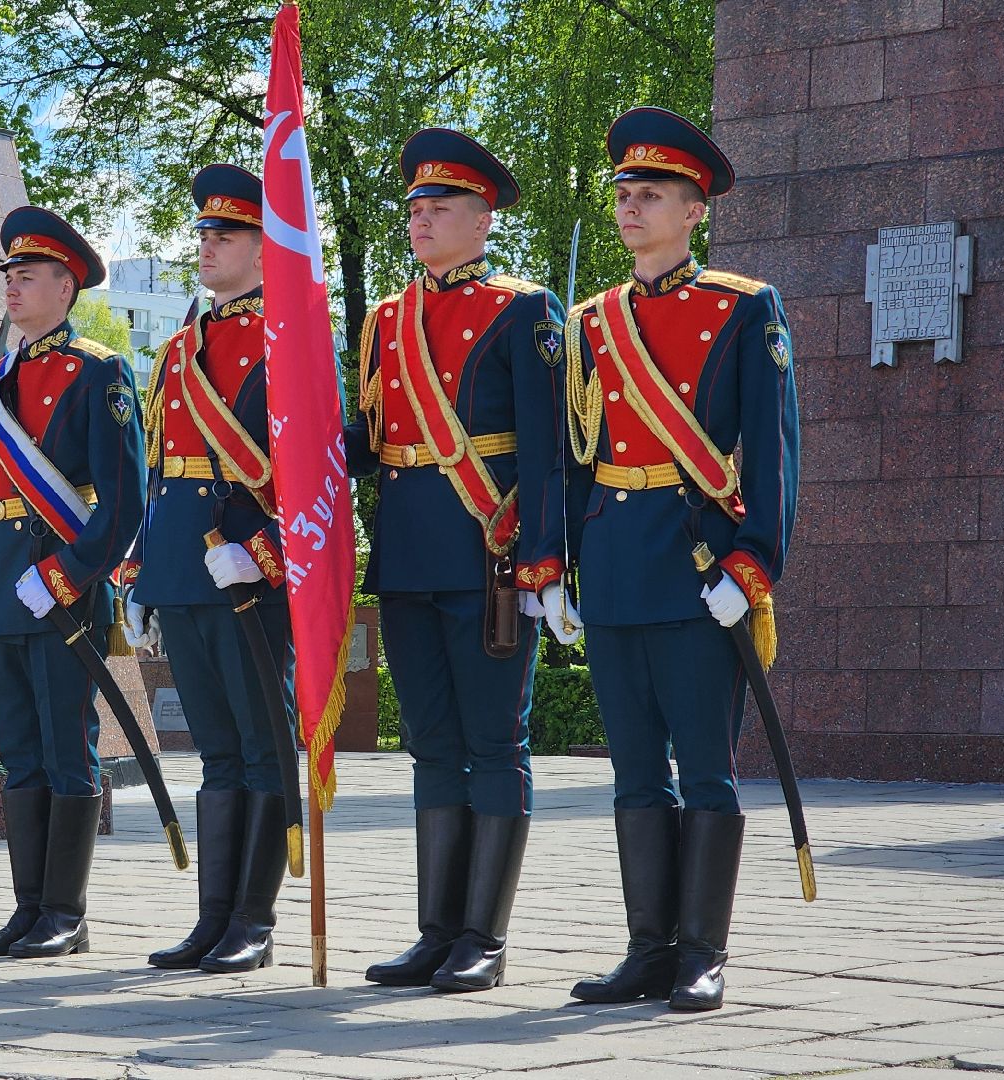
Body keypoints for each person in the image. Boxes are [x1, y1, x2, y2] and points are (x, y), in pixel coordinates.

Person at [564, 107, 797, 1012]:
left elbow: (774, 454)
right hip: (618, 564)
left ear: (694, 210)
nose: (631, 206)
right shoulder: (593, 320)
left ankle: (702, 951)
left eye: (651, 193)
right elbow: (575, 459)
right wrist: (559, 569)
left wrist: (753, 566)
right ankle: (647, 949)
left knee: (703, 767)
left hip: (702, 570)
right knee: (632, 772)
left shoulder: (743, 307)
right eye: (624, 191)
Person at [344, 129, 568, 993]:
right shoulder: (388, 320)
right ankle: (436, 931)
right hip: (404, 556)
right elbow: (378, 438)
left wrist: (544, 558)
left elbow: (548, 450)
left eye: (441, 208)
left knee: (492, 741)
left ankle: (485, 936)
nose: (422, 220)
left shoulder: (524, 310)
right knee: (430, 745)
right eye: (415, 209)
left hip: (489, 555)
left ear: (483, 221)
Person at [0, 206, 144, 959]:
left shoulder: (100, 372)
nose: (14, 289)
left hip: (60, 591)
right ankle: (28, 908)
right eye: (11, 277)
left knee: (67, 748)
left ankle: (66, 912)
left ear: (66, 288)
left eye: (28, 277)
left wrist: (67, 573)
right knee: (18, 752)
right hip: (0, 590)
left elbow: (121, 500)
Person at [121, 165, 292, 975]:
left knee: (261, 749)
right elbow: (160, 469)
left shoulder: (288, 336)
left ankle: (251, 923)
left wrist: (261, 553)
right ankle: (212, 919)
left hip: (247, 575)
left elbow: (312, 470)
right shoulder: (182, 345)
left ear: (267, 248)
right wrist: (145, 573)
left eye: (227, 234)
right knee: (217, 754)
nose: (209, 245)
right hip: (186, 571)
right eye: (204, 234)